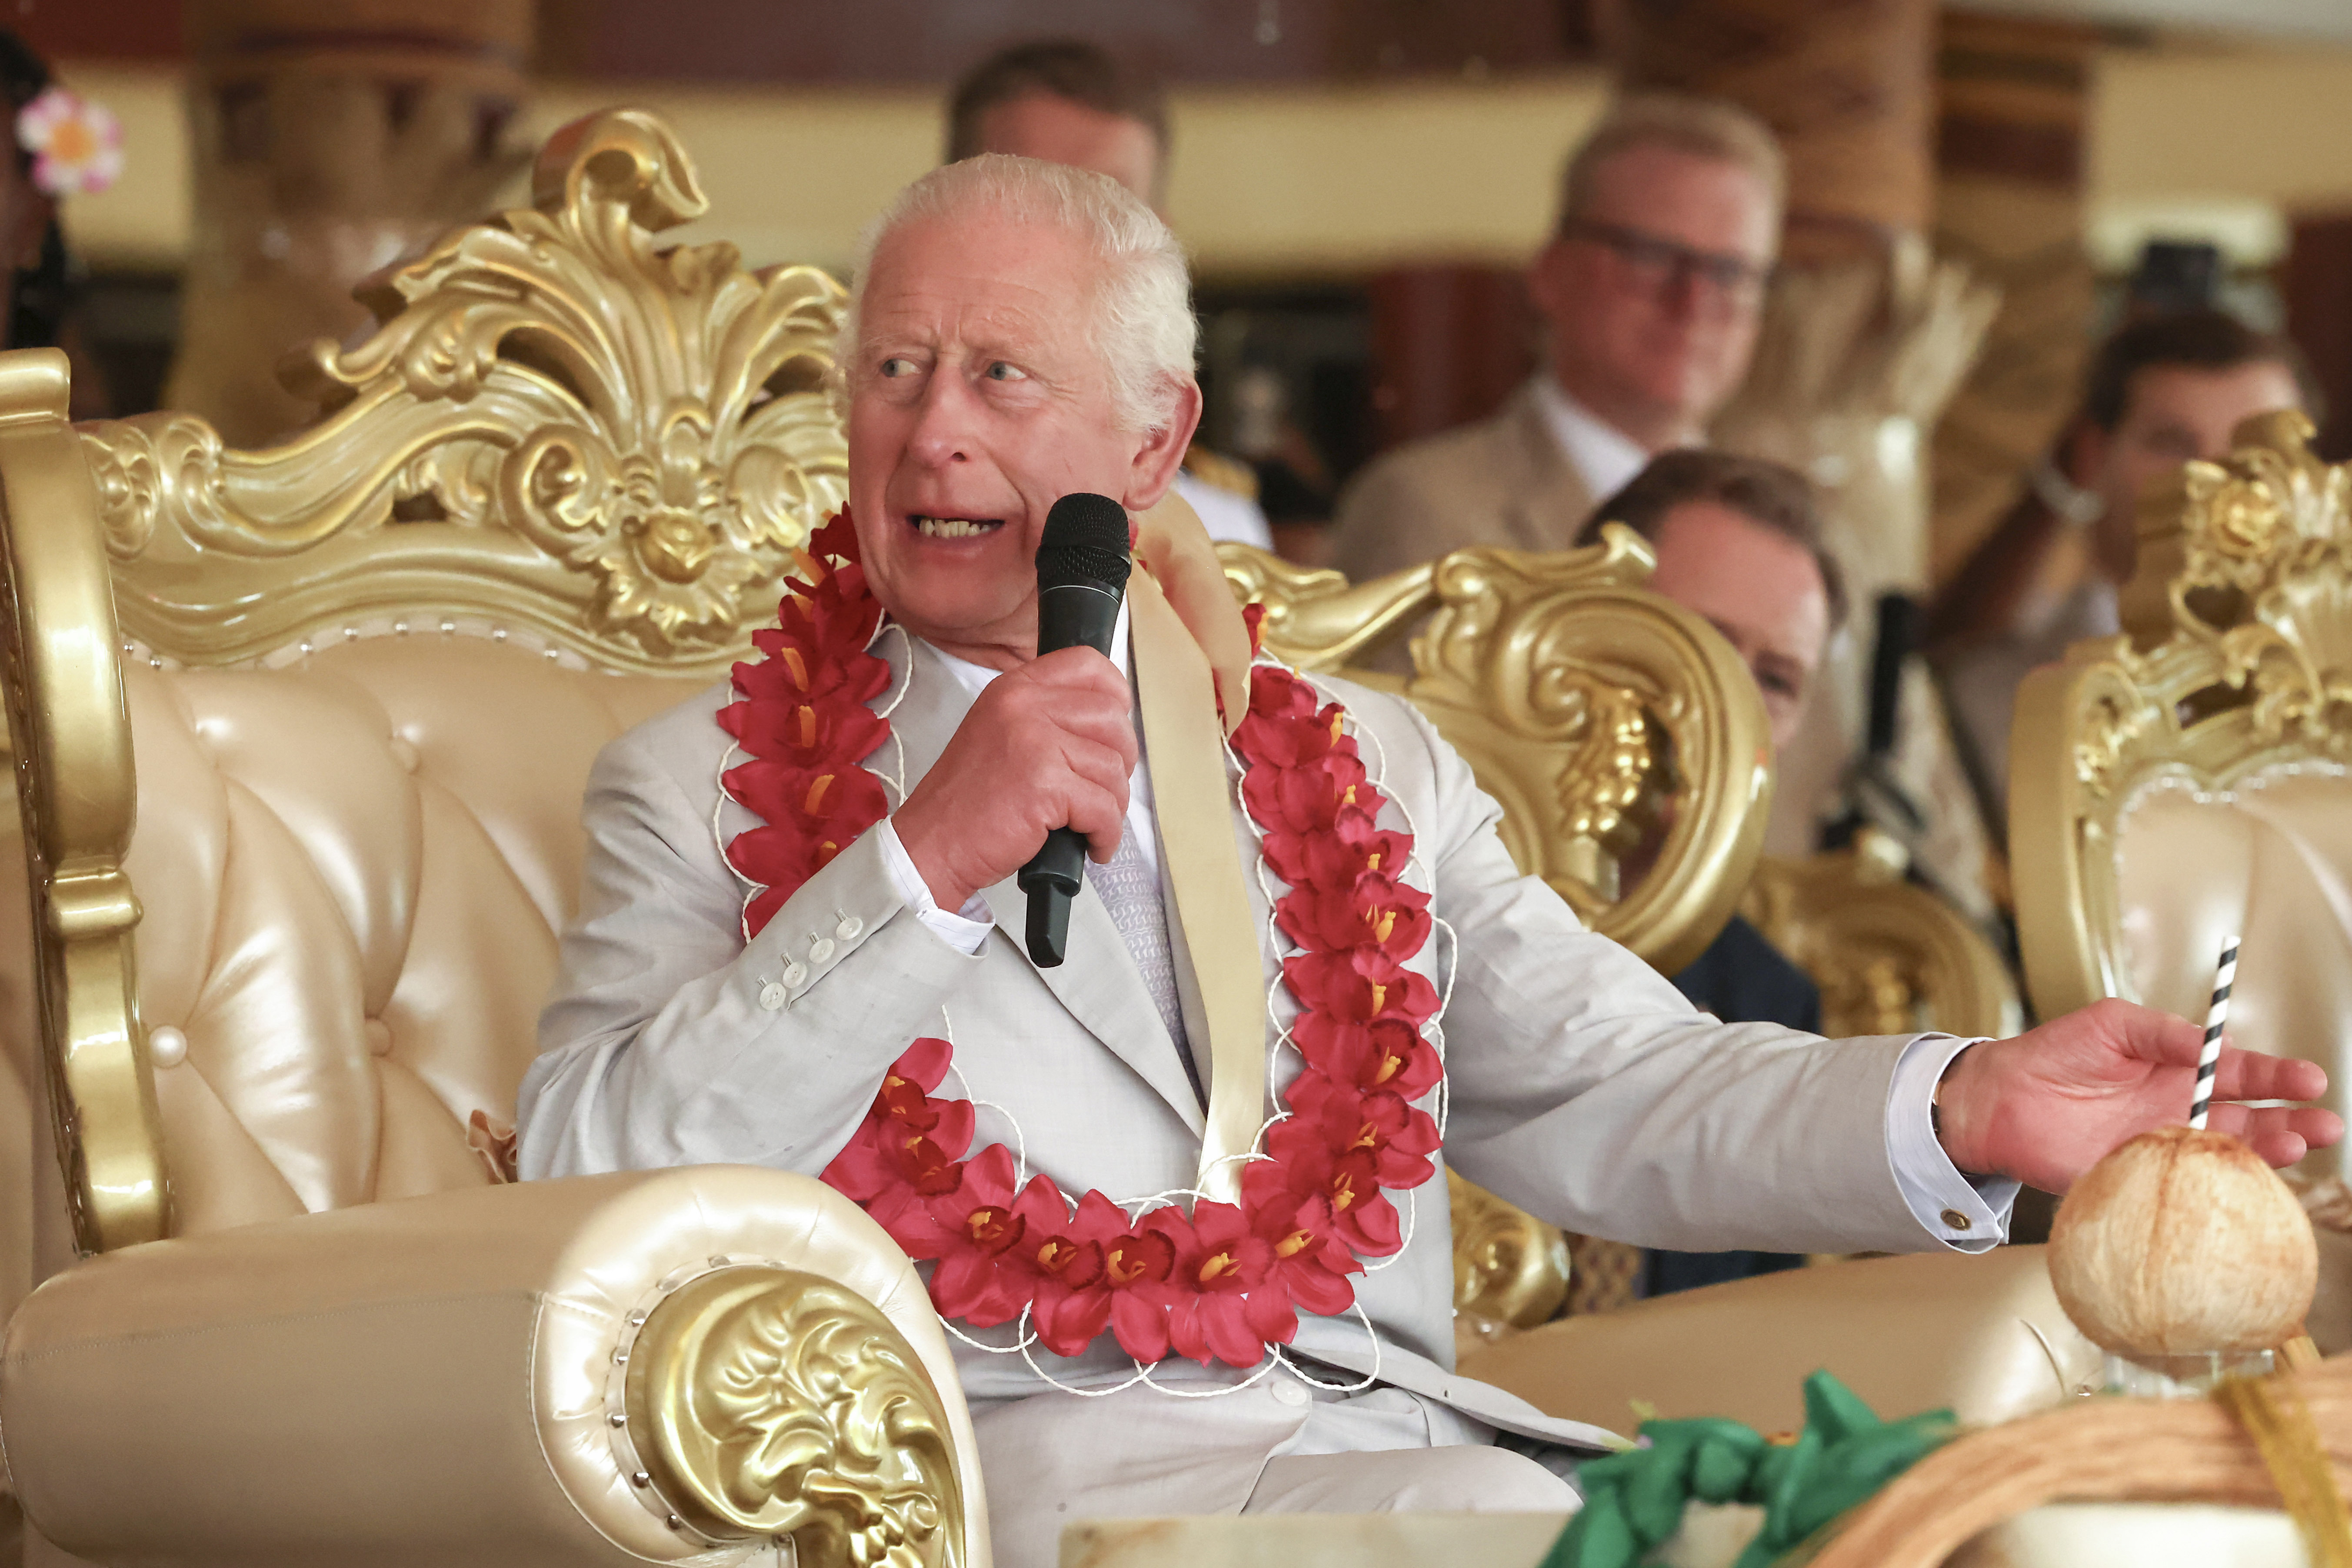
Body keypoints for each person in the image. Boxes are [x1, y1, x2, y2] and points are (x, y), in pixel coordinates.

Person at [516, 157, 2336, 1567]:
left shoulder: (1356, 763)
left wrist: (1967, 1106)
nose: (932, 431)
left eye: (1001, 373)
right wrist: (917, 864)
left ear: (1151, 439)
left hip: (1408, 1451)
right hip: (1026, 1475)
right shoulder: (696, 785)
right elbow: (581, 1174)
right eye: (894, 370)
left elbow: (1622, 1082)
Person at [1569, 451, 1841, 1302]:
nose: (1732, 703)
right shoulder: (1394, 899)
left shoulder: (1770, 999)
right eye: (1701, 644)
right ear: (1568, 625)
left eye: (1774, 679)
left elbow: (1758, 1340)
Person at [1329, 95, 1780, 583]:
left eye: (1729, 272)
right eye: (1652, 256)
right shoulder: (1424, 508)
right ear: (1551, 272)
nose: (1691, 302)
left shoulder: (1787, 532)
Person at [1930, 310, 2310, 817]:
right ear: (2090, 456)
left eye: (2255, 450)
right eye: (2172, 445)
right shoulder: (1997, 697)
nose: (2214, 483)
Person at [947, 38, 1273, 552]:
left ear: (1159, 244)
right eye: (1033, 203)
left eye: (1108, 211)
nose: (1067, 243)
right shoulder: (834, 492)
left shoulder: (1219, 533)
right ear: (943, 217)